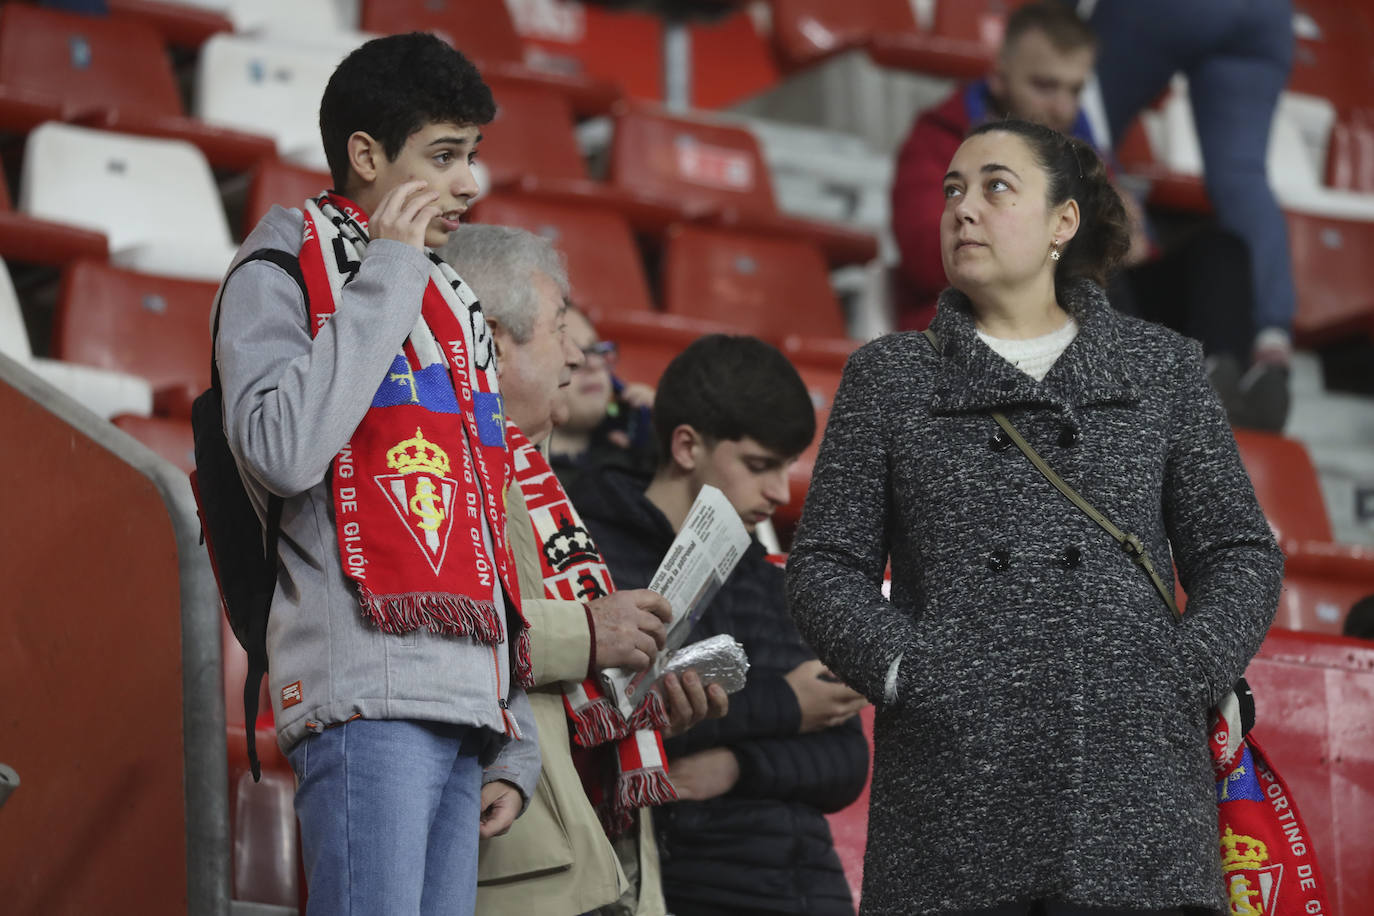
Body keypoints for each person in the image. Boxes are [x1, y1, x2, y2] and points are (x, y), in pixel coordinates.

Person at [788, 119, 1284, 914]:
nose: (963, 209)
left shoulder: (1160, 368)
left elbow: (1238, 552)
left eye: (995, 187)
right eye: (952, 189)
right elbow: (823, 569)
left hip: (1133, 792)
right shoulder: (890, 377)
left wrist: (1179, 675)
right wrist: (909, 673)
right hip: (955, 792)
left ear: (1063, 223)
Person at [213, 34, 538, 915]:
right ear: (365, 154)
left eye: (471, 155)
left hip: (464, 702)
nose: (470, 183)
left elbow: (478, 518)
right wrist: (388, 271)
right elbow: (281, 449)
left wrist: (514, 721)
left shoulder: (453, 295)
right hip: (363, 694)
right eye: (443, 156)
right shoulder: (278, 263)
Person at [439, 223, 729, 916]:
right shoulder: (437, 463)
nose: (578, 356)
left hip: (598, 858)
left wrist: (643, 692)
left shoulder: (534, 473)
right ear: (493, 342)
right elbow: (437, 627)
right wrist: (591, 634)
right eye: (560, 328)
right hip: (520, 858)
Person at [568, 334, 871, 916]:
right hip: (688, 883)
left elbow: (845, 764)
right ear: (687, 446)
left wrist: (738, 765)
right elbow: (614, 721)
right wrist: (786, 707)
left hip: (814, 888)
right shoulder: (597, 554)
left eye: (786, 467)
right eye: (759, 466)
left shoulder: (770, 579)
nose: (780, 493)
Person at [889, 1, 1265, 426]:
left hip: (1085, 317)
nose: (1063, 107)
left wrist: (1126, 234)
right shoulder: (941, 141)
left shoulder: (1081, 149)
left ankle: (1217, 393)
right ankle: (1153, 407)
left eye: (1074, 89)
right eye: (1045, 86)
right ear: (998, 76)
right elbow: (928, 258)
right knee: (1088, 271)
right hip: (981, 320)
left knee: (1221, 252)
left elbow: (1136, 256)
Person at [1088, 0, 1297, 431]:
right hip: (1266, 13)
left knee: (1070, 137)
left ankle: (1121, 307)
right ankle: (1269, 343)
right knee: (1243, 177)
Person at [548, 305, 657, 490]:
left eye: (596, 349)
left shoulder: (635, 452)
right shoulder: (517, 477)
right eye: (570, 353)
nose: (594, 364)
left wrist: (659, 425)